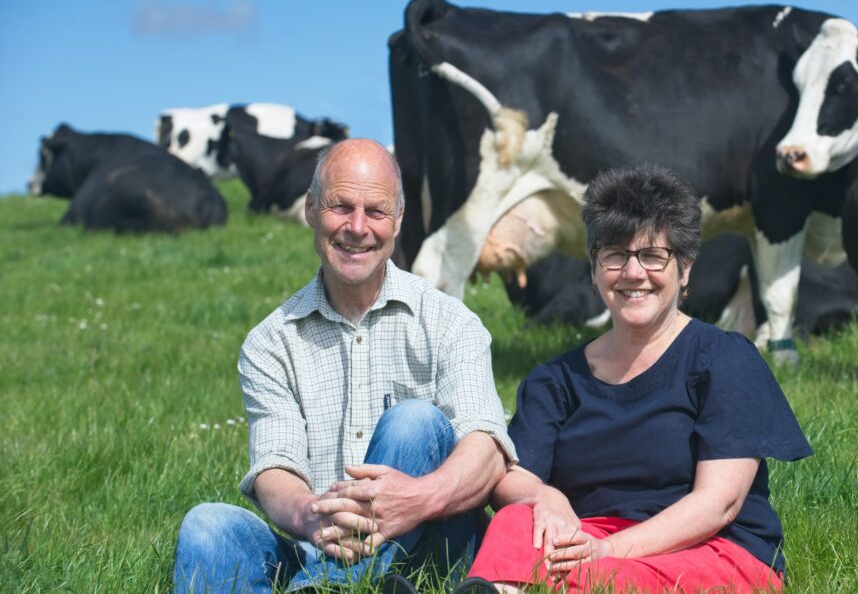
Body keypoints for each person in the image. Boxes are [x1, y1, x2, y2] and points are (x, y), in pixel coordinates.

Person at [172, 139, 516, 593]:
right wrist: (310, 516)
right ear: (312, 209)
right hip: (320, 545)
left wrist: (415, 500)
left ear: (398, 221)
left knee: (413, 421)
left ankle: (329, 588)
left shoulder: (450, 322)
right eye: (341, 207)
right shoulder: (270, 342)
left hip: (434, 546)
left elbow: (487, 448)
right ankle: (333, 581)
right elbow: (276, 467)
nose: (357, 227)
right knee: (207, 527)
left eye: (375, 211)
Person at [461, 165, 813, 594]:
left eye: (652, 255)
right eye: (614, 255)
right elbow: (513, 476)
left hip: (708, 547)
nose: (632, 273)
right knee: (519, 518)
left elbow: (719, 504)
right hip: (588, 538)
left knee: (603, 579)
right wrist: (544, 498)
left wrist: (608, 553)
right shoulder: (554, 380)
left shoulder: (725, 358)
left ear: (684, 271)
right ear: (593, 271)